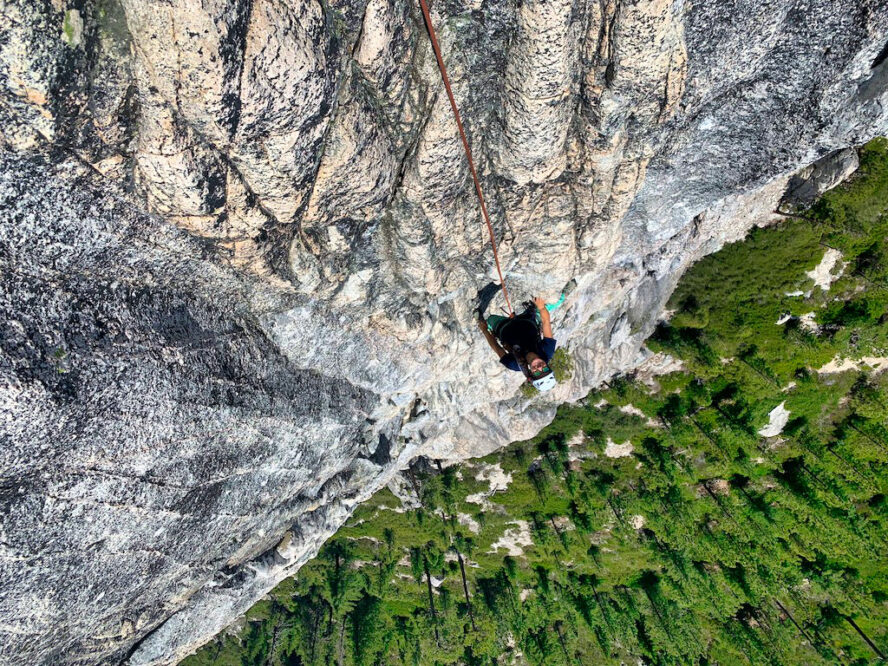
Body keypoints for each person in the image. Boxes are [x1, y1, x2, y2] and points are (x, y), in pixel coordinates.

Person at [477, 297, 558, 391]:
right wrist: (541, 308)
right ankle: (562, 296)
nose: (539, 368)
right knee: (548, 303)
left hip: (502, 327)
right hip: (527, 319)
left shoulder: (514, 364)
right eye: (544, 370)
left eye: (536, 373)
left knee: (490, 318)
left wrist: (484, 330)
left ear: (531, 373)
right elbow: (546, 322)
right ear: (548, 367)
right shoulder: (547, 351)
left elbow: (497, 347)